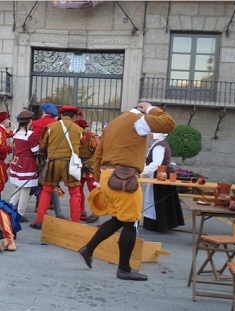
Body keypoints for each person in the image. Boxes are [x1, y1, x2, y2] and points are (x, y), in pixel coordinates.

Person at [78, 102, 176, 281]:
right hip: (124, 177)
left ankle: (88, 249)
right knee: (130, 222)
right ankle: (124, 268)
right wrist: (150, 108)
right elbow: (168, 123)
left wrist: (100, 182)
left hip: (108, 176)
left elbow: (99, 154)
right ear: (140, 110)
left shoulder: (114, 123)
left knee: (118, 219)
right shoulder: (138, 120)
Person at [30, 107, 84, 229]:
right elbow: (80, 146)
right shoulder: (79, 130)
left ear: (60, 114)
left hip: (53, 163)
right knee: (75, 193)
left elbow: (43, 146)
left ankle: (39, 220)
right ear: (74, 116)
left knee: (47, 190)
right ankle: (75, 223)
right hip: (70, 164)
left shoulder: (51, 127)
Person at [140, 133, 184, 232]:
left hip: (160, 175)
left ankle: (157, 224)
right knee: (153, 199)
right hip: (160, 174)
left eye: (152, 132)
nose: (149, 134)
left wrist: (142, 171)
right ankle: (156, 223)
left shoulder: (159, 146)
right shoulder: (159, 144)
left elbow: (156, 164)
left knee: (154, 199)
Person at [31, 103, 66, 220]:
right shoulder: (57, 125)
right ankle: (55, 212)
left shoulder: (35, 123)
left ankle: (37, 206)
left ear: (44, 112)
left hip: (35, 158)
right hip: (51, 158)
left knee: (38, 184)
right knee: (51, 185)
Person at [8, 111, 39, 222]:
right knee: (25, 190)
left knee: (18, 188)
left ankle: (9, 208)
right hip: (27, 163)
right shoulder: (31, 134)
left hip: (17, 161)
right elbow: (35, 150)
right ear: (30, 121)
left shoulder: (15, 132)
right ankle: (19, 213)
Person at [74, 118, 100, 223]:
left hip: (90, 167)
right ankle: (81, 211)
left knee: (93, 190)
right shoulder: (74, 136)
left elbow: (98, 152)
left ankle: (96, 212)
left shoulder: (92, 137)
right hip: (78, 165)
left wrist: (88, 163)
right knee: (78, 189)